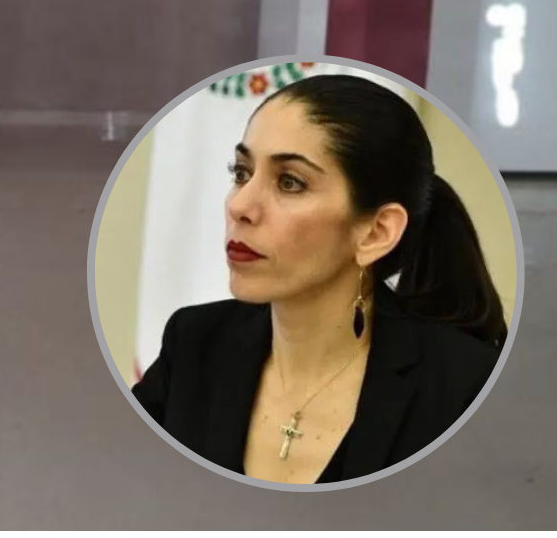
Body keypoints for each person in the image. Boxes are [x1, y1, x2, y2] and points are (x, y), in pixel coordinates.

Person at [131, 74, 505, 484]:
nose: (240, 205)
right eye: (241, 172)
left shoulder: (465, 387)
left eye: (290, 182)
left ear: (376, 232)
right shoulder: (192, 343)